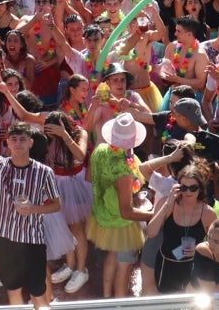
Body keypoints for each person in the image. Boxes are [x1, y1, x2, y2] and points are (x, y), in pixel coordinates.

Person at [0, 120, 60, 310]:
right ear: (7, 142)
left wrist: (34, 208)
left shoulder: (44, 172)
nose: (17, 143)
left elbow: (57, 205)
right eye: (13, 139)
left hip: (33, 240)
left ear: (30, 143)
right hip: (5, 239)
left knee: (38, 293)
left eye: (22, 139)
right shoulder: (0, 165)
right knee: (13, 289)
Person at [86, 113, 156, 298]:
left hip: (103, 215)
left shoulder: (100, 149)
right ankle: (118, 303)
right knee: (124, 266)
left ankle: (107, 297)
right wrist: (154, 215)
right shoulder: (123, 170)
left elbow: (89, 177)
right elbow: (126, 212)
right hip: (122, 223)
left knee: (111, 256)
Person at [145, 161, 216, 294]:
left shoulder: (208, 213)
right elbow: (151, 233)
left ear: (200, 188)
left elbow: (216, 245)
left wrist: (199, 249)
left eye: (193, 188)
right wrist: (168, 202)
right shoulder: (167, 204)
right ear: (178, 187)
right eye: (184, 188)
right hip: (167, 265)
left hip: (193, 266)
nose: (188, 192)